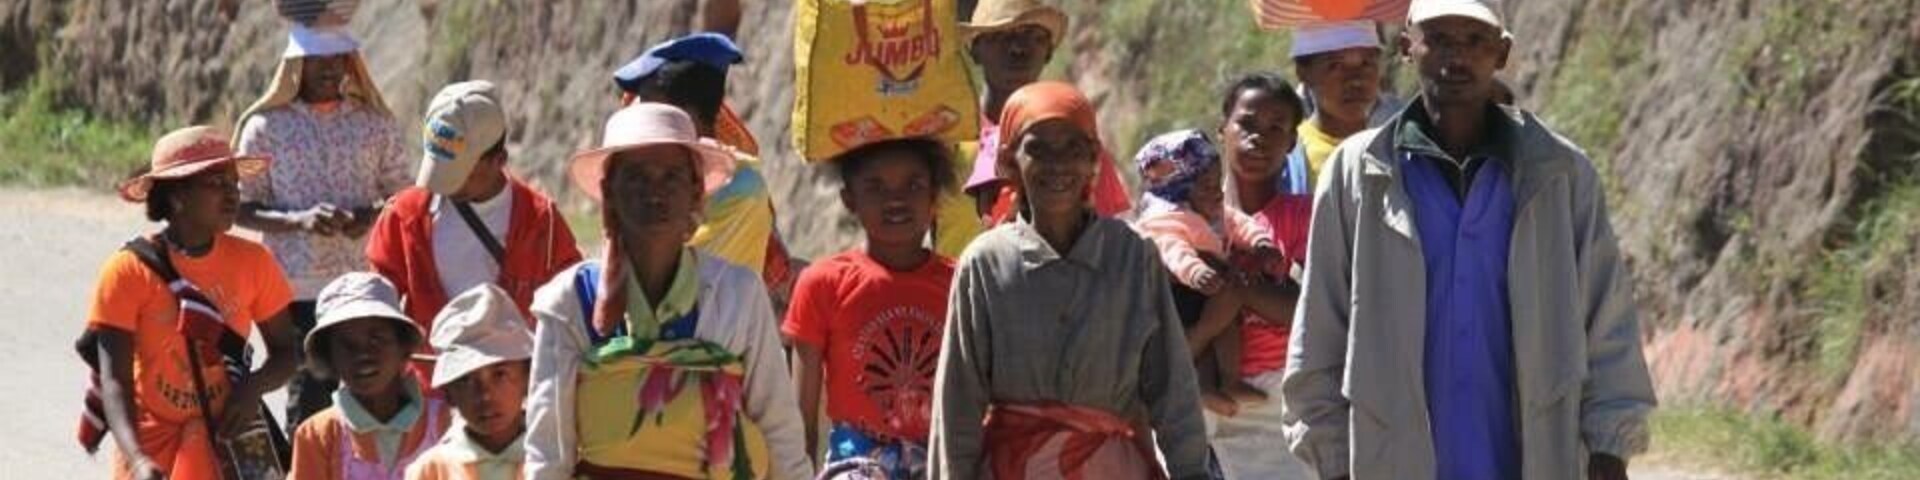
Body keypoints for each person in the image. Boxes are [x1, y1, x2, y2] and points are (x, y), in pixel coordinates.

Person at [1281, 1, 1658, 479]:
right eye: (1438, 39)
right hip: (1394, 460)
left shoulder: (1560, 173)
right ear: (1405, 48)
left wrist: (1610, 446)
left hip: (1531, 460)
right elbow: (1320, 329)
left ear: (1501, 54)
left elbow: (1607, 321)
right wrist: (1331, 459)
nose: (1456, 58)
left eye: (1475, 41)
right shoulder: (1358, 172)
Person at [928, 82, 1209, 480]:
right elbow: (958, 402)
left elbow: (1172, 388)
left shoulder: (1132, 257)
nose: (1057, 164)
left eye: (1073, 149)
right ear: (1009, 162)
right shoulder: (986, 264)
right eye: (1037, 149)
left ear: (1094, 158)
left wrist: (1192, 472)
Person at [522, 103, 809, 480]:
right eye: (637, 177)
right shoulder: (569, 302)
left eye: (671, 176)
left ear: (695, 192)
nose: (654, 192)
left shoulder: (736, 294)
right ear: (610, 192)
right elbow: (548, 452)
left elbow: (779, 428)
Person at [84, 126, 302, 480]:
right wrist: (137, 459)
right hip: (152, 451)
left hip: (229, 443)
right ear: (176, 197)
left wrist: (253, 388)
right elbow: (115, 383)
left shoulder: (254, 261)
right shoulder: (126, 272)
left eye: (234, 183)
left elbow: (287, 352)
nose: (232, 195)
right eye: (216, 184)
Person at [235, 23, 413, 427]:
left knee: (371, 391)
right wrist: (299, 220)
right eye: (318, 60)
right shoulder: (266, 128)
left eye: (338, 58)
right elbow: (240, 208)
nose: (330, 69)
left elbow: (404, 198)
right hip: (295, 289)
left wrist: (368, 217)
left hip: (365, 282)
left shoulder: (376, 124)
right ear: (296, 64)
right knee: (312, 396)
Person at [364, 80, 582, 389]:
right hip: (432, 396)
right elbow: (377, 309)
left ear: (499, 160)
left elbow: (572, 307)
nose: (444, 183)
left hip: (514, 400)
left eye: (460, 172)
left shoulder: (540, 222)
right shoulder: (403, 217)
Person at [783, 138, 958, 479]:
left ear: (934, 196)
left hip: (942, 460)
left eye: (913, 185)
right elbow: (800, 419)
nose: (896, 200)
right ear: (850, 199)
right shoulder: (822, 284)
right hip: (856, 465)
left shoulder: (962, 284)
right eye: (875, 186)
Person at [613, 32, 804, 313]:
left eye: (651, 110)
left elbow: (662, 283)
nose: (643, 122)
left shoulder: (739, 189)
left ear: (686, 116)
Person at [1200, 72, 1318, 480]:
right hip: (1204, 403)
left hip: (1280, 405)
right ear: (1222, 130)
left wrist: (1238, 291)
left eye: (1275, 128)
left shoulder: (1306, 217)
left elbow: (1316, 310)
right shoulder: (1190, 222)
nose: (1259, 138)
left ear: (1291, 143)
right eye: (1247, 124)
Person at [1131, 130, 1296, 418]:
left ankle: (1230, 382)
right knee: (1204, 338)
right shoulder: (1164, 219)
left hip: (1211, 287)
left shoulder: (1214, 208)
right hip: (1179, 293)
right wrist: (1194, 272)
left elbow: (1239, 223)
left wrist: (1261, 243)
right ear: (1179, 188)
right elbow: (1172, 248)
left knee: (1226, 325)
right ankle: (1204, 386)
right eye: (1205, 185)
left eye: (1216, 181)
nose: (1217, 192)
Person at [958, 0, 1130, 231]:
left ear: (1048, 51)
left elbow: (1104, 238)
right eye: (1001, 35)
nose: (1018, 48)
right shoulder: (950, 136)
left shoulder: (1077, 141)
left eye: (1032, 36)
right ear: (975, 50)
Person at [289, 272, 451, 479]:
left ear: (403, 347)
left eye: (377, 339)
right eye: (348, 345)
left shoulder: (445, 423)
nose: (363, 355)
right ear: (330, 358)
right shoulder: (318, 434)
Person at [404, 285, 534, 480]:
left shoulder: (557, 461)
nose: (485, 395)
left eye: (500, 375)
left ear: (527, 377)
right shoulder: (430, 472)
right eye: (465, 381)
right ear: (449, 394)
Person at [1290, 21, 1387, 185]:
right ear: (1303, 73)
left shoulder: (1394, 150)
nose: (1355, 80)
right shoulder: (1289, 156)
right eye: (1335, 66)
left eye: (1366, 63)